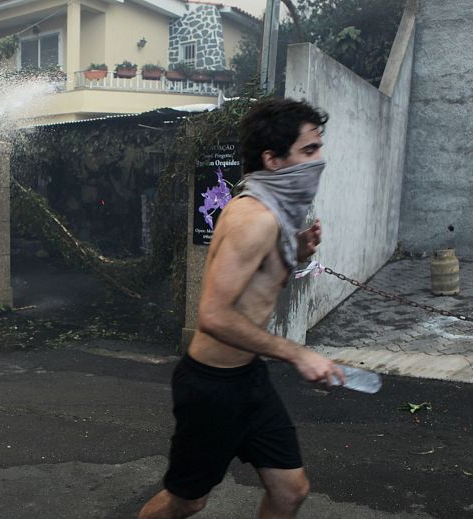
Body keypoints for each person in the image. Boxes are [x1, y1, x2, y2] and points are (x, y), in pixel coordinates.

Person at [138, 97, 345, 519]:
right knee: (188, 500)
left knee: (291, 490)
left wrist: (297, 254)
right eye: (308, 151)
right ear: (272, 159)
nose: (319, 160)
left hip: (248, 377)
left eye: (318, 148)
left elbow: (259, 287)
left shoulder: (275, 213)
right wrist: (297, 352)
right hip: (211, 388)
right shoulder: (253, 217)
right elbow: (213, 316)